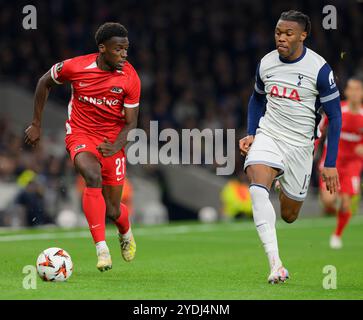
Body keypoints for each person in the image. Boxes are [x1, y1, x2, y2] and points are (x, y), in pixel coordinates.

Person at [24, 22, 140, 272]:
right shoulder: (75, 67)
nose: (124, 54)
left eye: (126, 49)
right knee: (91, 175)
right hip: (81, 133)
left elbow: (131, 124)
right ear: (102, 48)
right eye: (118, 49)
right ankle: (102, 249)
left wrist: (117, 144)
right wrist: (36, 123)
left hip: (112, 141)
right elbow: (44, 82)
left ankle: (125, 231)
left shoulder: (130, 77)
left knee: (112, 209)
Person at [239, 10, 342, 284]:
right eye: (277, 32)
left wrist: (330, 163)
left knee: (289, 215)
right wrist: (251, 134)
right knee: (257, 189)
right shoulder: (266, 63)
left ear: (303, 35)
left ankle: (282, 181)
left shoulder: (319, 69)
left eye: (288, 34)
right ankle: (276, 265)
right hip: (269, 135)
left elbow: (335, 116)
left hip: (300, 146)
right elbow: (257, 99)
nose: (281, 38)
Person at [316, 77, 363, 249]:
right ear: (347, 92)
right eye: (352, 89)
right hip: (331, 162)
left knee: (345, 203)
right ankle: (335, 209)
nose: (355, 92)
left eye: (358, 89)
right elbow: (319, 127)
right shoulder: (337, 110)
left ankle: (337, 235)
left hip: (353, 165)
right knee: (329, 201)